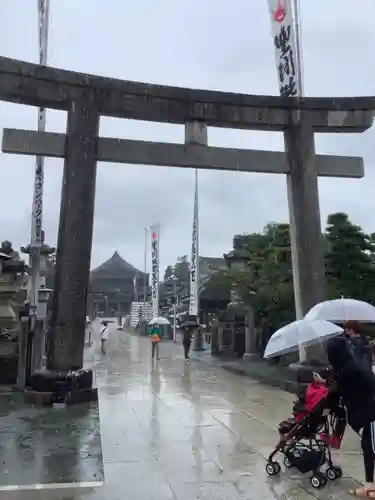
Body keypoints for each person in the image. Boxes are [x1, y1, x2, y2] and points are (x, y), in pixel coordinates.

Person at [326, 336, 375, 498]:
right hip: (367, 414)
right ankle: (369, 487)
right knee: (368, 448)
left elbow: (337, 394)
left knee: (370, 449)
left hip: (371, 414)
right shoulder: (352, 365)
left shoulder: (348, 371)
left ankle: (370, 488)